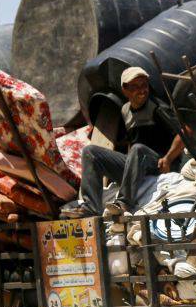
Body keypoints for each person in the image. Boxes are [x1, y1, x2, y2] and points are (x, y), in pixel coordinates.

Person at [63, 66, 186, 217]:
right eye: (135, 87)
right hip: (137, 162)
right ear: (125, 90)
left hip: (158, 163)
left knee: (138, 149)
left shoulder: (157, 107)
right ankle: (90, 207)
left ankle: (124, 203)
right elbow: (129, 143)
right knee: (90, 152)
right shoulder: (125, 110)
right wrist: (126, 166)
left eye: (144, 86)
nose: (142, 91)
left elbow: (184, 132)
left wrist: (168, 159)